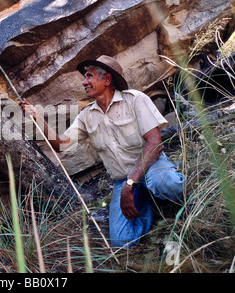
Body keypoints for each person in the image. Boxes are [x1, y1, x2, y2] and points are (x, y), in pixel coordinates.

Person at [20, 55, 184, 247]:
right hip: (122, 181)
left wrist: (130, 184)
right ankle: (151, 207)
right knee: (121, 242)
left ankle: (188, 204)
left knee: (168, 183)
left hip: (150, 167)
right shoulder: (86, 116)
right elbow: (61, 144)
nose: (84, 82)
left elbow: (155, 143)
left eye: (89, 76)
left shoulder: (135, 100)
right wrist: (37, 118)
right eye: (84, 78)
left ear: (106, 80)